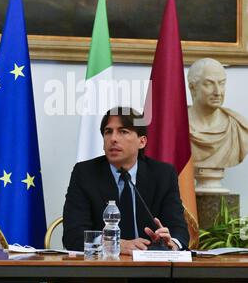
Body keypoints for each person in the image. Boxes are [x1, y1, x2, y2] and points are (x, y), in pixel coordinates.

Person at [63, 106, 189, 253]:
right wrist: (113, 244)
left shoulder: (163, 175)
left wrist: (171, 243)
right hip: (100, 270)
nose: (113, 139)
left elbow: (179, 230)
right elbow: (73, 236)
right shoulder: (85, 173)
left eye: (123, 131)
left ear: (142, 142)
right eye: (108, 132)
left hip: (151, 270)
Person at [187, 58, 248, 169]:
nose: (218, 92)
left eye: (221, 83)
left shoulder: (238, 126)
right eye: (209, 84)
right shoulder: (176, 125)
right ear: (192, 87)